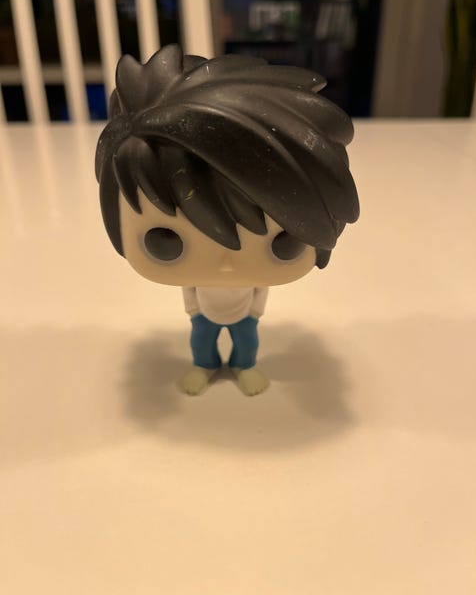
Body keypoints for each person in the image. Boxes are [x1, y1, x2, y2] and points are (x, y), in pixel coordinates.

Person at [95, 44, 359, 396]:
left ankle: (244, 367)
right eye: (165, 241)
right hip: (203, 314)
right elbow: (191, 287)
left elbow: (259, 288)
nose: (225, 261)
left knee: (247, 344)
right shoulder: (196, 276)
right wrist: (193, 309)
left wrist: (255, 311)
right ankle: (204, 367)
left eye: (284, 242)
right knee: (201, 343)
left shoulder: (251, 279)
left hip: (245, 314)